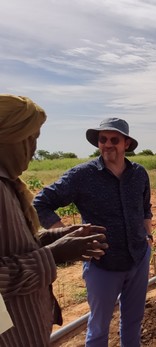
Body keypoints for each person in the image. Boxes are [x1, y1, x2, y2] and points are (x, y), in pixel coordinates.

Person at [33, 117, 153, 347]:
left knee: (133, 322)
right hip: (102, 264)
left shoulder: (139, 174)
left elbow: (145, 208)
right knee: (99, 328)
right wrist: (67, 236)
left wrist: (148, 237)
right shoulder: (82, 175)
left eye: (114, 140)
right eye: (102, 139)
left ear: (126, 144)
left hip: (138, 259)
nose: (107, 144)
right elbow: (41, 202)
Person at [0, 94, 108, 347]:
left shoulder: (8, 185)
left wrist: (54, 236)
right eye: (32, 137)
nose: (35, 149)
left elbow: (12, 247)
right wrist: (53, 255)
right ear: (8, 137)